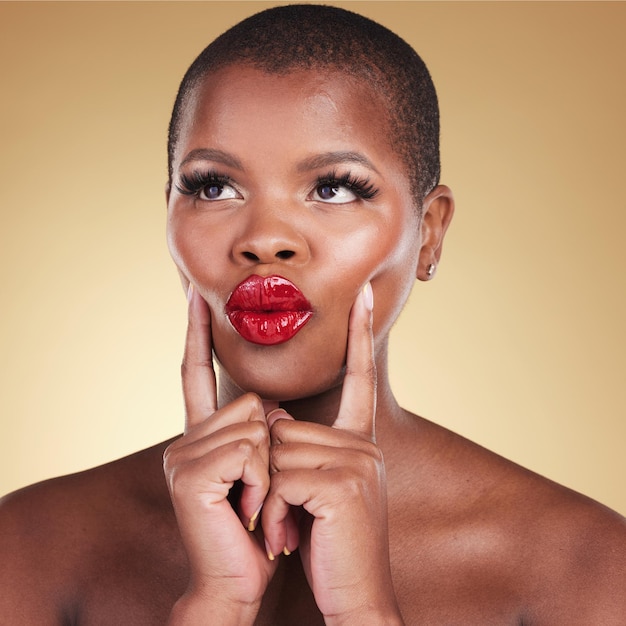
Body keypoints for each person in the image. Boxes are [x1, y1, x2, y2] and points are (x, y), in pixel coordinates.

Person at [1, 4, 625, 624]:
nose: (266, 239)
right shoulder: (28, 548)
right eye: (213, 186)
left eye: (334, 187)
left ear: (429, 233)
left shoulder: (588, 568)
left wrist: (363, 610)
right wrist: (216, 602)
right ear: (169, 211)